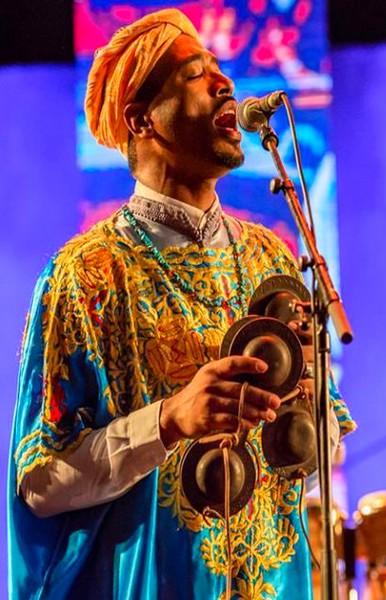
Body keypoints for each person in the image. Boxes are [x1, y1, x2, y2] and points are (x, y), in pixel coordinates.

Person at [8, 8, 354, 599]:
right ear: (141, 118)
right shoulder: (85, 275)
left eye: (221, 70)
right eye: (196, 74)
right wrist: (167, 421)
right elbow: (41, 481)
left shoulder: (272, 257)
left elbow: (322, 452)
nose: (226, 84)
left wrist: (305, 394)